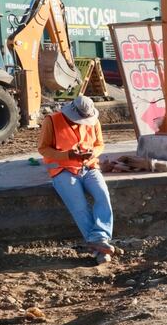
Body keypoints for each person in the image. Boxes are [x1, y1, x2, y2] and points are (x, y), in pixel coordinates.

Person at [38, 95, 115, 264]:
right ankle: (99, 247)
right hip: (62, 170)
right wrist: (67, 155)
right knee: (79, 205)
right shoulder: (51, 121)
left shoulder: (93, 121)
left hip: (89, 167)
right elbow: (43, 148)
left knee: (103, 196)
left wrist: (92, 154)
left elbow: (99, 144)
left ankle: (100, 237)